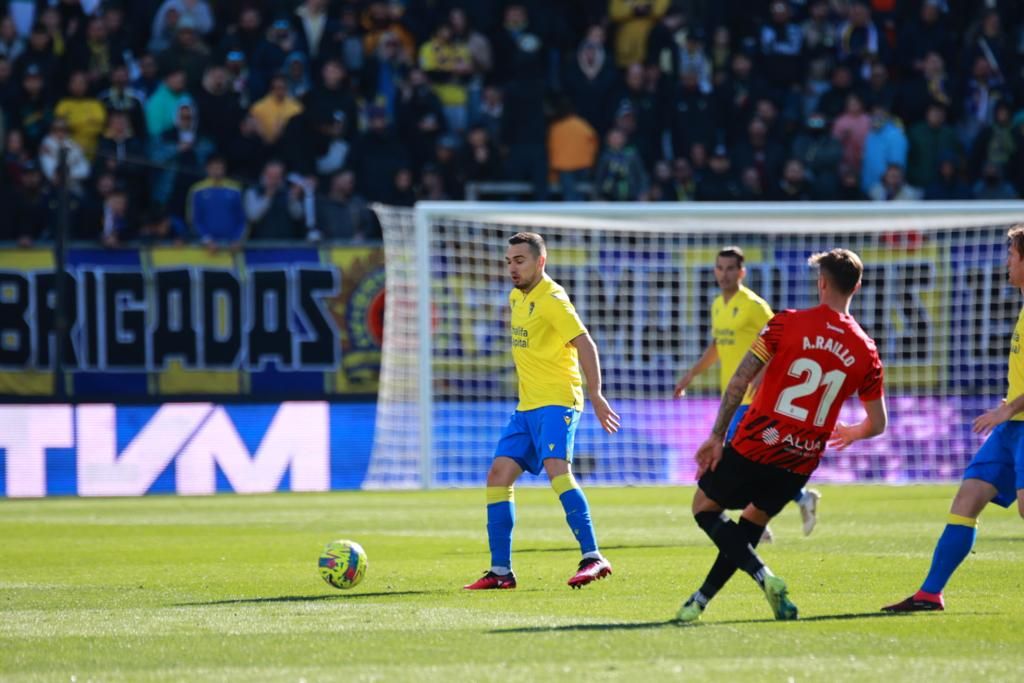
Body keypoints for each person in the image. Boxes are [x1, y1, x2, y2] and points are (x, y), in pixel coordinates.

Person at [676, 248, 887, 623]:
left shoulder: (786, 322)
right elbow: (878, 424)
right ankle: (700, 602)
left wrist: (717, 436)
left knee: (704, 507)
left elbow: (738, 382)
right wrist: (852, 433)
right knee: (751, 524)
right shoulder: (866, 350)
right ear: (857, 287)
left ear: (821, 283)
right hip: (801, 460)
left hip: (758, 442)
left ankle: (763, 576)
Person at [464, 232, 621, 590]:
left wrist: (596, 394)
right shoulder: (516, 298)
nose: (512, 268)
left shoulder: (552, 298)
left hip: (558, 400)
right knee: (498, 476)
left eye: (520, 261)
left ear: (540, 262)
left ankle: (593, 557)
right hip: (527, 406)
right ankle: (500, 572)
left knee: (557, 471)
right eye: (509, 261)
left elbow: (585, 343)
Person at [883, 226, 1024, 613]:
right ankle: (930, 594)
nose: (1007, 262)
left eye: (1012, 255)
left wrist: (1008, 408)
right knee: (967, 499)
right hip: (1011, 427)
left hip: (1016, 420)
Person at [674, 247, 822, 544]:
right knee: (751, 459)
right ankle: (798, 499)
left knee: (738, 459)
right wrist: (692, 374)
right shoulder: (718, 305)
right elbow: (718, 346)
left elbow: (782, 340)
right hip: (733, 397)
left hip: (755, 398)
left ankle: (763, 519)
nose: (724, 274)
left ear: (742, 272)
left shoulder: (754, 306)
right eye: (720, 268)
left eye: (730, 268)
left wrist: (762, 373)